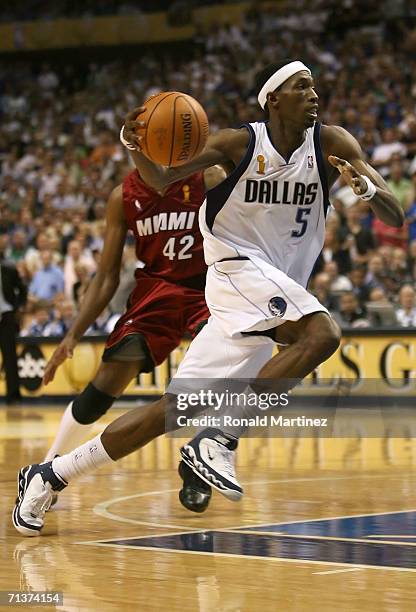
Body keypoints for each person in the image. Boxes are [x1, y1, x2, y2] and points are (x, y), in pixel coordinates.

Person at [13, 59, 403, 536]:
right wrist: (134, 145)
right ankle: (220, 439)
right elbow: (159, 179)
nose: (315, 96)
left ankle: (50, 475)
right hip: (234, 271)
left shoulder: (333, 143)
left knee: (170, 411)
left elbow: (395, 213)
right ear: (273, 99)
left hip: (267, 295)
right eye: (303, 88)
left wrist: (363, 187)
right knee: (322, 333)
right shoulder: (236, 144)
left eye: (315, 87)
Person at [0, 242, 27, 404]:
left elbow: (22, 289)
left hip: (6, 317)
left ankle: (13, 396)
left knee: (10, 358)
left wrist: (18, 307)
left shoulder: (8, 268)